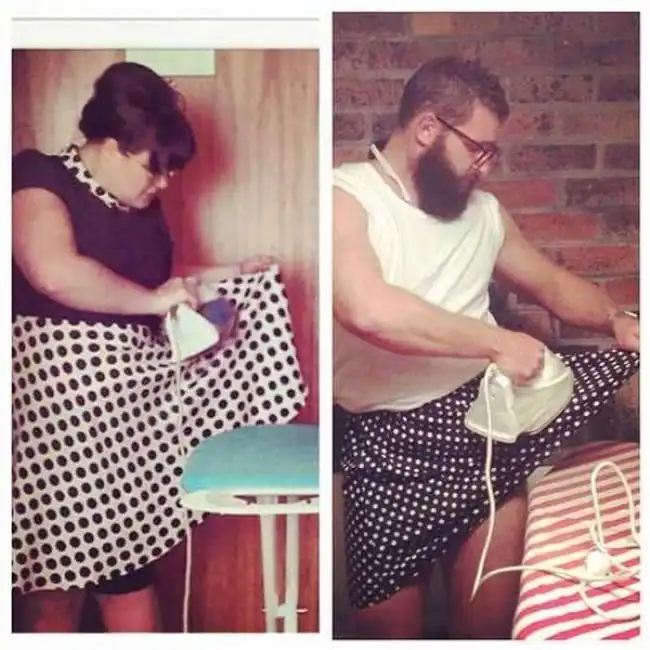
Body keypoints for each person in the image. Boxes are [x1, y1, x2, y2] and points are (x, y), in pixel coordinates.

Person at [333, 56, 639, 639]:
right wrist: (498, 341)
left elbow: (550, 284)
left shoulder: (484, 213)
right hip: (386, 446)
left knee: (489, 633)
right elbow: (367, 309)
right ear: (428, 128)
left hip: (483, 431)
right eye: (478, 149)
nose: (486, 167)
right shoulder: (344, 199)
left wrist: (617, 318)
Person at [12, 61, 306, 632]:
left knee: (127, 566)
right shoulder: (37, 176)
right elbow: (53, 271)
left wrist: (232, 274)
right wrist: (153, 302)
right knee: (55, 577)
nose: (164, 182)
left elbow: (158, 281)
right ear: (111, 145)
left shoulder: (143, 208)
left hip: (130, 411)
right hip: (58, 416)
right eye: (154, 167)